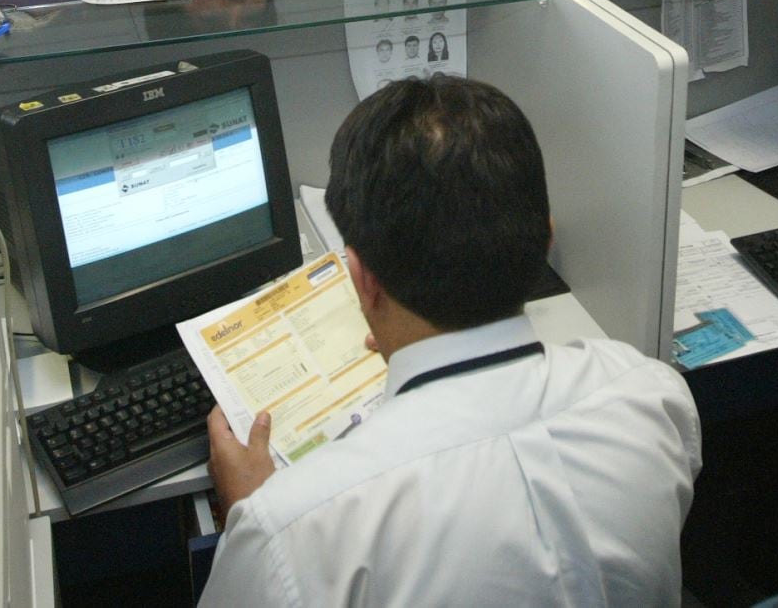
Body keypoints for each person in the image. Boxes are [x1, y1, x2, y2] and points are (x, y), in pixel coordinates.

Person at [200, 76, 700, 606]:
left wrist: (247, 513)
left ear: (362, 279)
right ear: (545, 242)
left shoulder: (290, 529)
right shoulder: (648, 393)